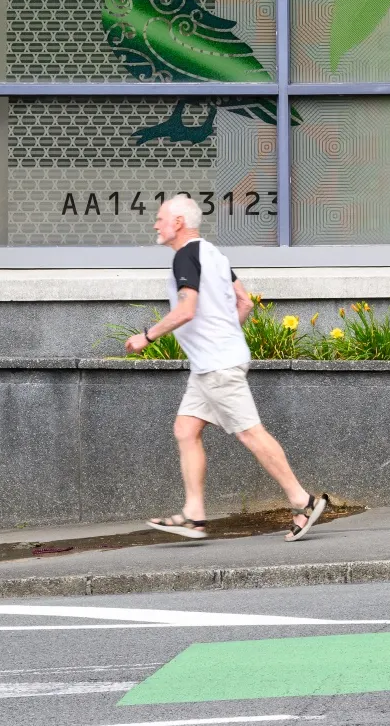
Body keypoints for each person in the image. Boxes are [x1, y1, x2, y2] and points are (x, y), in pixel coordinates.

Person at [127, 194, 329, 541]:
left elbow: (187, 309)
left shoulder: (185, 257)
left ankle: (303, 501)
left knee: (251, 433)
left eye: (160, 218)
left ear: (178, 222)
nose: (155, 225)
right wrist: (224, 334)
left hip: (217, 366)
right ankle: (194, 514)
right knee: (185, 430)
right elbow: (245, 301)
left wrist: (148, 336)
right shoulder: (214, 255)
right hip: (212, 363)